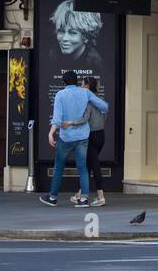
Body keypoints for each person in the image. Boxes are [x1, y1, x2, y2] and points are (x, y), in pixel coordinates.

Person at [39, 70, 108, 208]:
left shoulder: (60, 95)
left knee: (59, 166)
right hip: (83, 137)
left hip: (66, 137)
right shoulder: (85, 93)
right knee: (83, 167)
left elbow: (57, 119)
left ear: (64, 82)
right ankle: (83, 200)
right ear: (77, 81)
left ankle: (52, 197)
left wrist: (51, 133)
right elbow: (104, 106)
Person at [66, 77, 108, 208]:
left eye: (83, 85)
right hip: (101, 135)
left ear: (88, 86)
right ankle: (79, 195)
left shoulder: (88, 102)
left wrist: (71, 122)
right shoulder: (102, 102)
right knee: (89, 165)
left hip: (91, 136)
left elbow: (84, 119)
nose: (81, 87)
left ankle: (101, 197)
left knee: (94, 167)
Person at [51, 0, 105, 76]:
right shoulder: (52, 56)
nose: (64, 38)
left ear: (86, 36)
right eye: (61, 31)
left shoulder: (96, 63)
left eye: (73, 32)